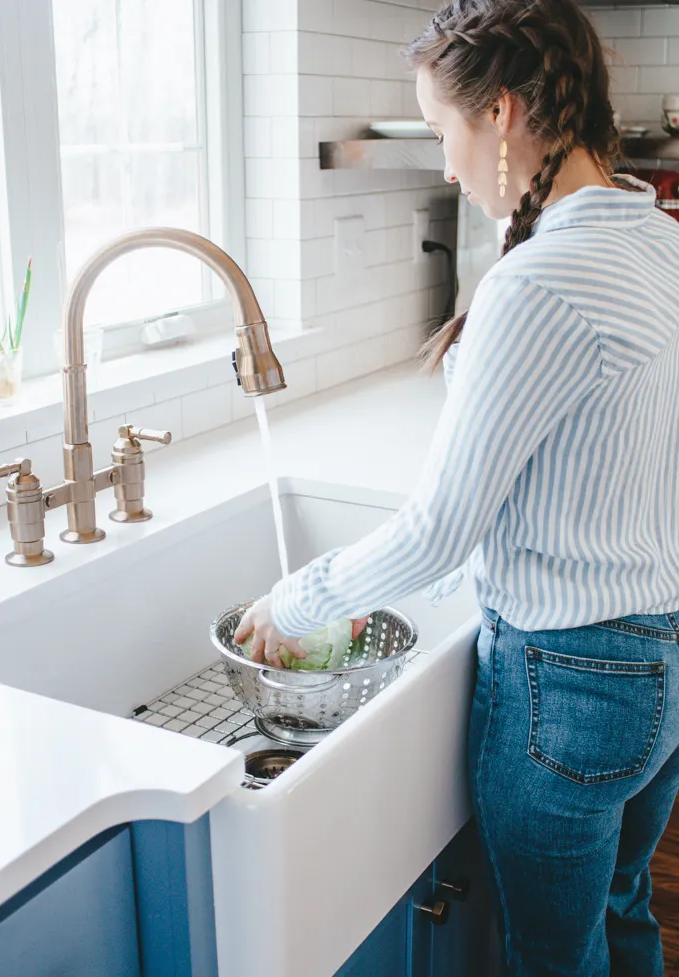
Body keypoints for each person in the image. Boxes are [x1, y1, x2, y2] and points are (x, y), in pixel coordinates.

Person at [234, 1, 679, 972]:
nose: (443, 162)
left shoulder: (539, 281)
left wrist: (293, 600)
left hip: (564, 681)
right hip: (655, 665)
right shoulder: (655, 239)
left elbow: (436, 532)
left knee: (549, 955)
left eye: (442, 129)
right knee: (621, 913)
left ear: (501, 114)